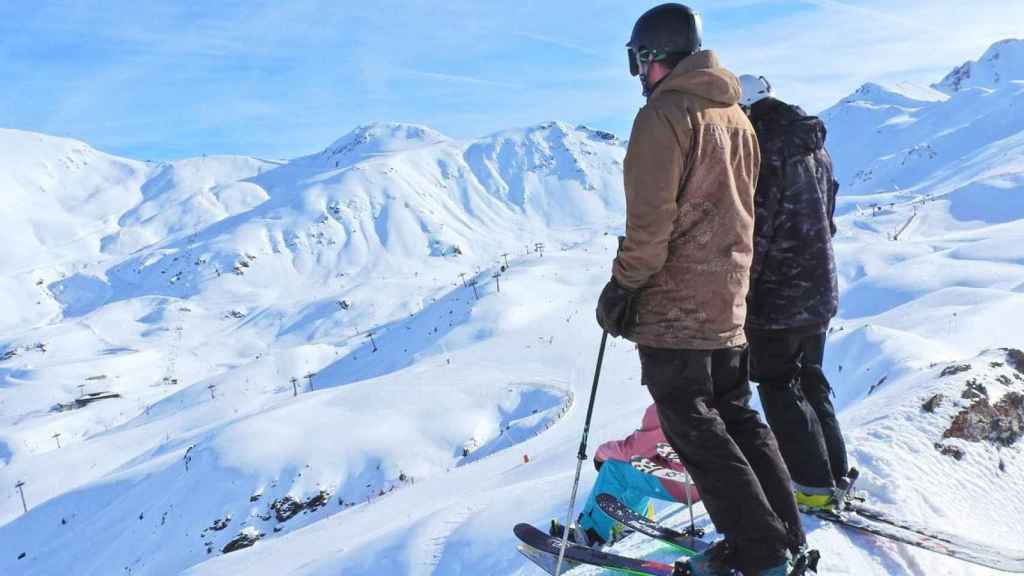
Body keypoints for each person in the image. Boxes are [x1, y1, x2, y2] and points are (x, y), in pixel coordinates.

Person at [596, 4, 804, 575]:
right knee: (736, 414)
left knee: (691, 423)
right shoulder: (734, 115)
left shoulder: (665, 117)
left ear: (653, 57)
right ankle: (786, 534)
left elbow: (651, 223)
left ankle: (761, 552)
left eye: (639, 63)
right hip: (728, 296)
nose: (639, 76)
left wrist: (623, 288)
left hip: (677, 304)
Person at [738, 74, 850, 511]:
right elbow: (830, 213)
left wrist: (741, 292)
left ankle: (811, 485)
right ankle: (835, 473)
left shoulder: (766, 152)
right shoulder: (813, 145)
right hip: (818, 287)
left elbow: (757, 232)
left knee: (778, 385)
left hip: (778, 296)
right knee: (811, 379)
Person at [549, 404, 700, 548]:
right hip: (714, 479)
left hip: (688, 483)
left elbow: (633, 451)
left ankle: (591, 533)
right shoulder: (709, 391)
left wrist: (601, 454)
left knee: (614, 468)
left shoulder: (665, 406)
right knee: (642, 469)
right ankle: (626, 523)